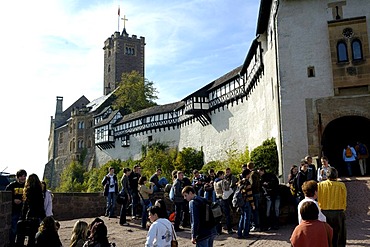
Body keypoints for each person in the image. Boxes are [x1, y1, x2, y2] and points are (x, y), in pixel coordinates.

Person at [318, 167, 347, 247]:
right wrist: (343, 209)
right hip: (338, 211)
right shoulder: (341, 185)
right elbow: (344, 198)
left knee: (327, 234)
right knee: (339, 234)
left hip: (324, 211)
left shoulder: (320, 185)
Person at [17, 173, 46, 247]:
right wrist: (44, 218)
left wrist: (22, 217)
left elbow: (25, 207)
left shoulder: (28, 192)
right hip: (35, 218)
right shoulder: (39, 193)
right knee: (32, 239)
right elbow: (41, 207)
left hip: (28, 217)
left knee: (21, 238)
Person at [5, 169, 27, 246]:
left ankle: (20, 243)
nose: (23, 178)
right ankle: (12, 243)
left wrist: (22, 201)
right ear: (17, 177)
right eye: (21, 176)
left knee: (22, 229)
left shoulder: (27, 186)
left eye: (24, 176)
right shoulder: (12, 186)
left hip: (24, 211)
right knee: (14, 229)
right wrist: (13, 200)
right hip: (14, 210)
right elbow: (5, 197)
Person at [236, 169, 255, 239]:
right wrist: (253, 204)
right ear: (247, 175)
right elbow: (250, 195)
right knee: (247, 218)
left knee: (242, 217)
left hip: (241, 202)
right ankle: (246, 233)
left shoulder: (240, 182)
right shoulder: (247, 183)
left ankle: (239, 233)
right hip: (246, 201)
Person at [247, 162, 261, 232]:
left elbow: (253, 184)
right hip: (258, 193)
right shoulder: (257, 173)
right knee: (256, 210)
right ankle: (257, 225)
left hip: (254, 193)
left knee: (254, 210)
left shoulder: (252, 174)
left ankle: (255, 225)